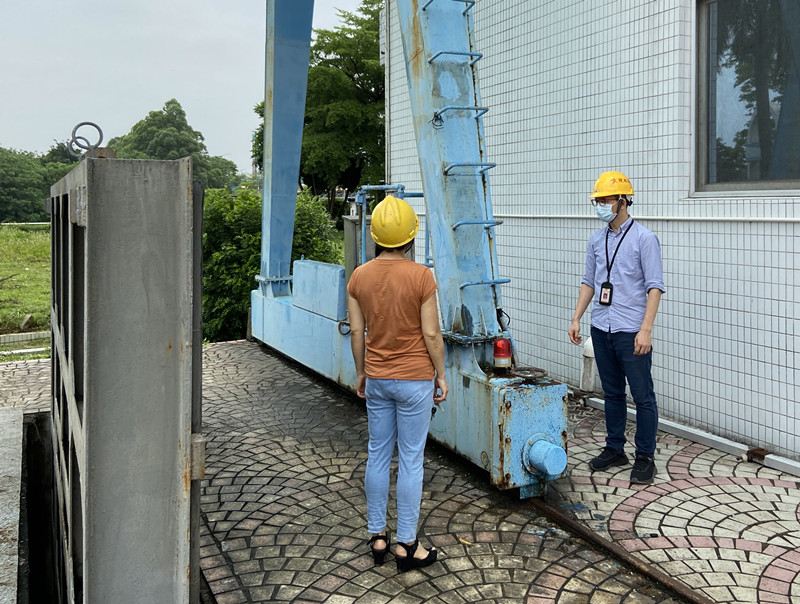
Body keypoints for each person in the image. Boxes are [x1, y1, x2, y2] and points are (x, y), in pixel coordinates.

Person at [346, 195, 448, 573]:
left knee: (377, 454)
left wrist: (361, 371)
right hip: (415, 380)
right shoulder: (422, 276)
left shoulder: (359, 276)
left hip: (377, 377)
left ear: (375, 235)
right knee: (410, 460)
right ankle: (407, 544)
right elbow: (432, 334)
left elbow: (357, 330)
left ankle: (377, 536)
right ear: (410, 236)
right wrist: (441, 373)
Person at [568, 171, 665, 485]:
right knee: (611, 393)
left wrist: (646, 329)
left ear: (623, 201)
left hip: (631, 330)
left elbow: (655, 287)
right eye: (597, 200)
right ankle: (614, 448)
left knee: (642, 396)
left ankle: (645, 456)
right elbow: (589, 282)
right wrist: (577, 317)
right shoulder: (596, 239)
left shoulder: (644, 238)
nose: (600, 205)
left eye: (605, 199)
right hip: (601, 326)